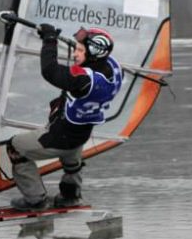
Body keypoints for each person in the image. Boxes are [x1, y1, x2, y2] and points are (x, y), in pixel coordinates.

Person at [8, 23, 123, 210]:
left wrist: (50, 40)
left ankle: (35, 199)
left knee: (15, 147)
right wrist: (79, 45)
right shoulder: (113, 70)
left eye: (79, 50)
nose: (75, 54)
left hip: (59, 138)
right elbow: (95, 60)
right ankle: (71, 195)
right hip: (79, 137)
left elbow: (50, 71)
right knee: (71, 158)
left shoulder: (82, 79)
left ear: (94, 53)